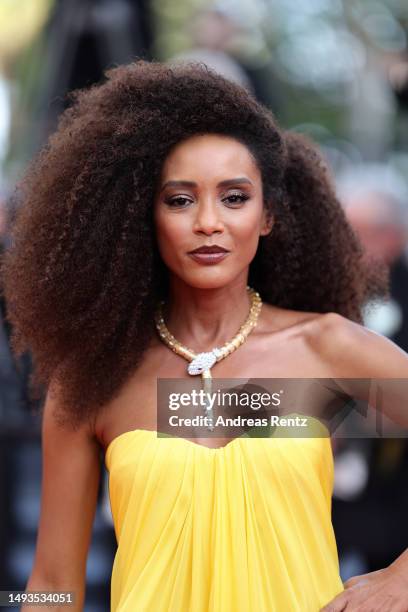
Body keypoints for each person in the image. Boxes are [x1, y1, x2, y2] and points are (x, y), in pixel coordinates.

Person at [1, 60, 408, 612]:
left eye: (235, 197)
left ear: (268, 216)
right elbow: (53, 582)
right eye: (180, 199)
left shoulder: (325, 349)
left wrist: (400, 579)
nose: (208, 222)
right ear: (141, 215)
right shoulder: (94, 379)